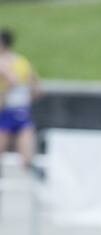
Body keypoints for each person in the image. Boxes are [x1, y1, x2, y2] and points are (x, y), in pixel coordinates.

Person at [0, 28, 41, 174]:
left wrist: (3, 97)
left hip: (5, 111)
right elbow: (37, 89)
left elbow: (13, 81)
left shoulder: (2, 63)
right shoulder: (23, 61)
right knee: (27, 158)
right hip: (22, 110)